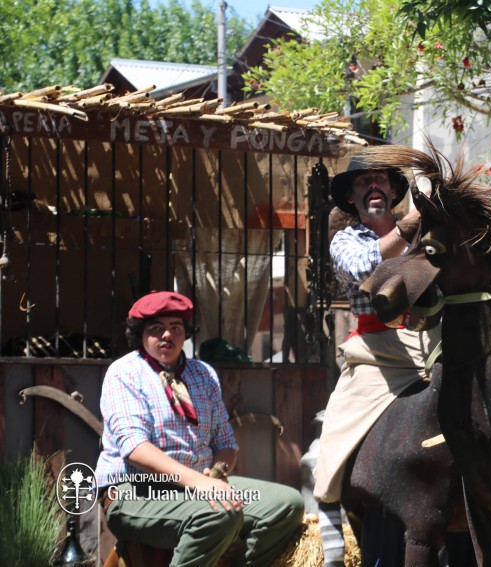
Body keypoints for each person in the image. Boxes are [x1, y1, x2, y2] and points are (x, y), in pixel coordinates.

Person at [95, 291, 304, 567]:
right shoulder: (124, 372)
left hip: (196, 486)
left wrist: (217, 472)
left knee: (287, 504)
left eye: (176, 327)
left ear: (186, 333)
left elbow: (226, 442)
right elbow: (135, 448)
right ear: (140, 334)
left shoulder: (202, 373)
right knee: (219, 514)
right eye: (157, 329)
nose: (167, 335)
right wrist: (199, 483)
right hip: (136, 490)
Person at [312, 154, 439, 566]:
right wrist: (415, 219)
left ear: (392, 190)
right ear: (350, 197)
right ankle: (329, 512)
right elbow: (370, 264)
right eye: (363, 181)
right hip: (376, 355)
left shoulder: (427, 236)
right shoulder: (346, 241)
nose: (372, 187)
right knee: (332, 432)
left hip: (435, 344)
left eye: (380, 180)